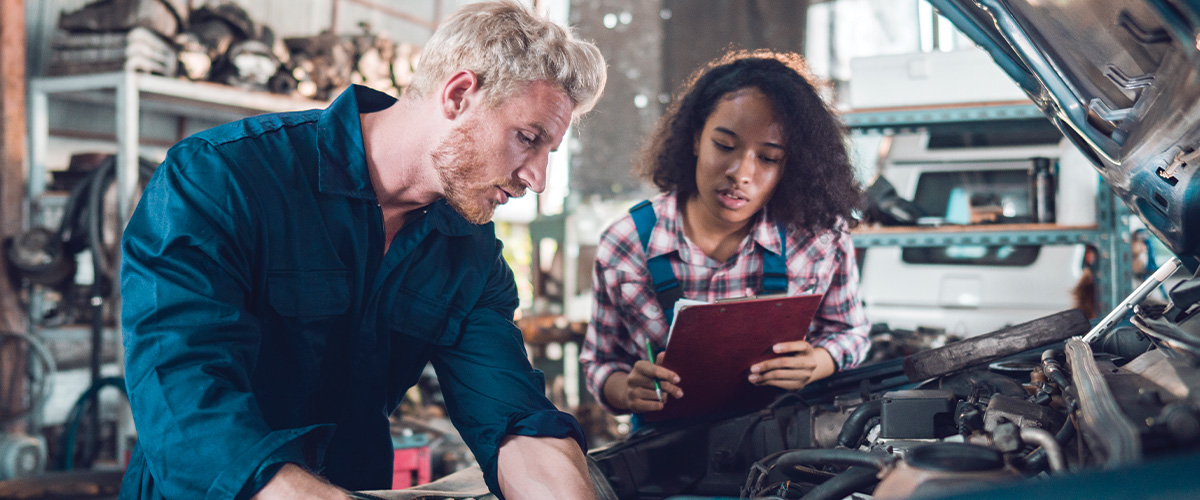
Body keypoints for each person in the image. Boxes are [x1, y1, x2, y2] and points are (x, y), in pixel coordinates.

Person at [119, 2, 606, 499]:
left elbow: (512, 416)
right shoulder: (220, 180)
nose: (538, 179)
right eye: (528, 139)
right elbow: (183, 392)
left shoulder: (469, 252)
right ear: (459, 94)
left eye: (549, 153)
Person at [580, 50, 870, 417]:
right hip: (664, 453)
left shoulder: (819, 238)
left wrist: (820, 361)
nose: (741, 172)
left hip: (783, 447)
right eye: (725, 145)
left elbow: (852, 332)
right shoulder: (625, 244)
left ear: (791, 165)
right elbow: (599, 362)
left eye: (768, 157)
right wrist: (626, 389)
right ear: (696, 137)